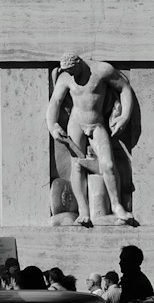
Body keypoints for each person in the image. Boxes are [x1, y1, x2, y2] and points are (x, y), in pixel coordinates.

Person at [45, 51, 139, 227]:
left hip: (97, 123)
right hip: (76, 123)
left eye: (73, 71)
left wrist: (124, 116)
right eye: (68, 72)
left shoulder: (102, 70)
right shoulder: (65, 78)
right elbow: (55, 102)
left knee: (109, 165)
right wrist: (53, 126)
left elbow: (124, 88)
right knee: (77, 166)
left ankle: (117, 206)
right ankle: (83, 211)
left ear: (80, 62)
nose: (71, 75)